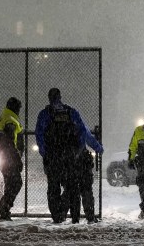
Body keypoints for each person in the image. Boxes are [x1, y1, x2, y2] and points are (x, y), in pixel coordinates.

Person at [35, 88, 103, 224]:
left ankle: (57, 215)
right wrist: (91, 148)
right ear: (60, 96)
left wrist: (45, 154)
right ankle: (74, 217)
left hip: (53, 157)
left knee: (53, 187)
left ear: (49, 98)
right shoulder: (70, 112)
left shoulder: (45, 114)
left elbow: (39, 135)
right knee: (71, 188)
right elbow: (84, 132)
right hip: (70, 157)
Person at [0, 97, 25, 221]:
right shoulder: (10, 120)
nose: (19, 111)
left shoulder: (4, 116)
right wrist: (17, 159)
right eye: (18, 108)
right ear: (15, 108)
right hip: (9, 158)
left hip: (3, 157)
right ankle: (4, 208)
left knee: (10, 184)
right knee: (16, 183)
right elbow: (10, 142)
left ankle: (3, 210)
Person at [73, 125, 102, 224]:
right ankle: (90, 216)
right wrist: (99, 148)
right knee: (86, 191)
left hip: (69, 162)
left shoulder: (61, 127)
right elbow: (90, 140)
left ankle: (74, 217)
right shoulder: (80, 126)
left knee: (72, 191)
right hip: (82, 163)